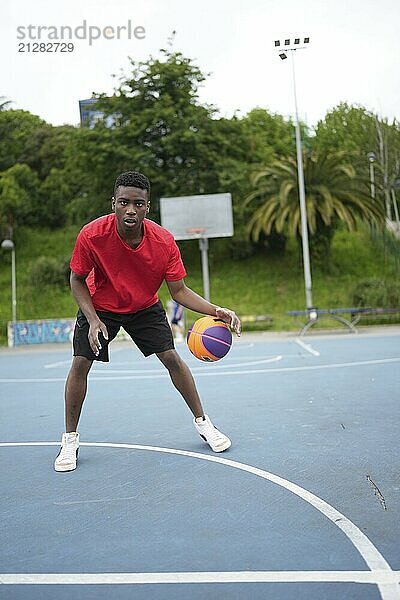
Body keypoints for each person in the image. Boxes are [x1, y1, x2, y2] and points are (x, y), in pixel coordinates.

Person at [54, 171, 241, 472]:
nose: (130, 210)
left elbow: (178, 290)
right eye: (124, 202)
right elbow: (76, 279)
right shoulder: (92, 234)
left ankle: (204, 423)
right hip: (100, 305)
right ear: (113, 202)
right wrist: (91, 319)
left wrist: (215, 310)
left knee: (172, 358)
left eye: (138, 204)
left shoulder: (163, 241)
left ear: (147, 207)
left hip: (144, 305)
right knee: (80, 363)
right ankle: (69, 440)